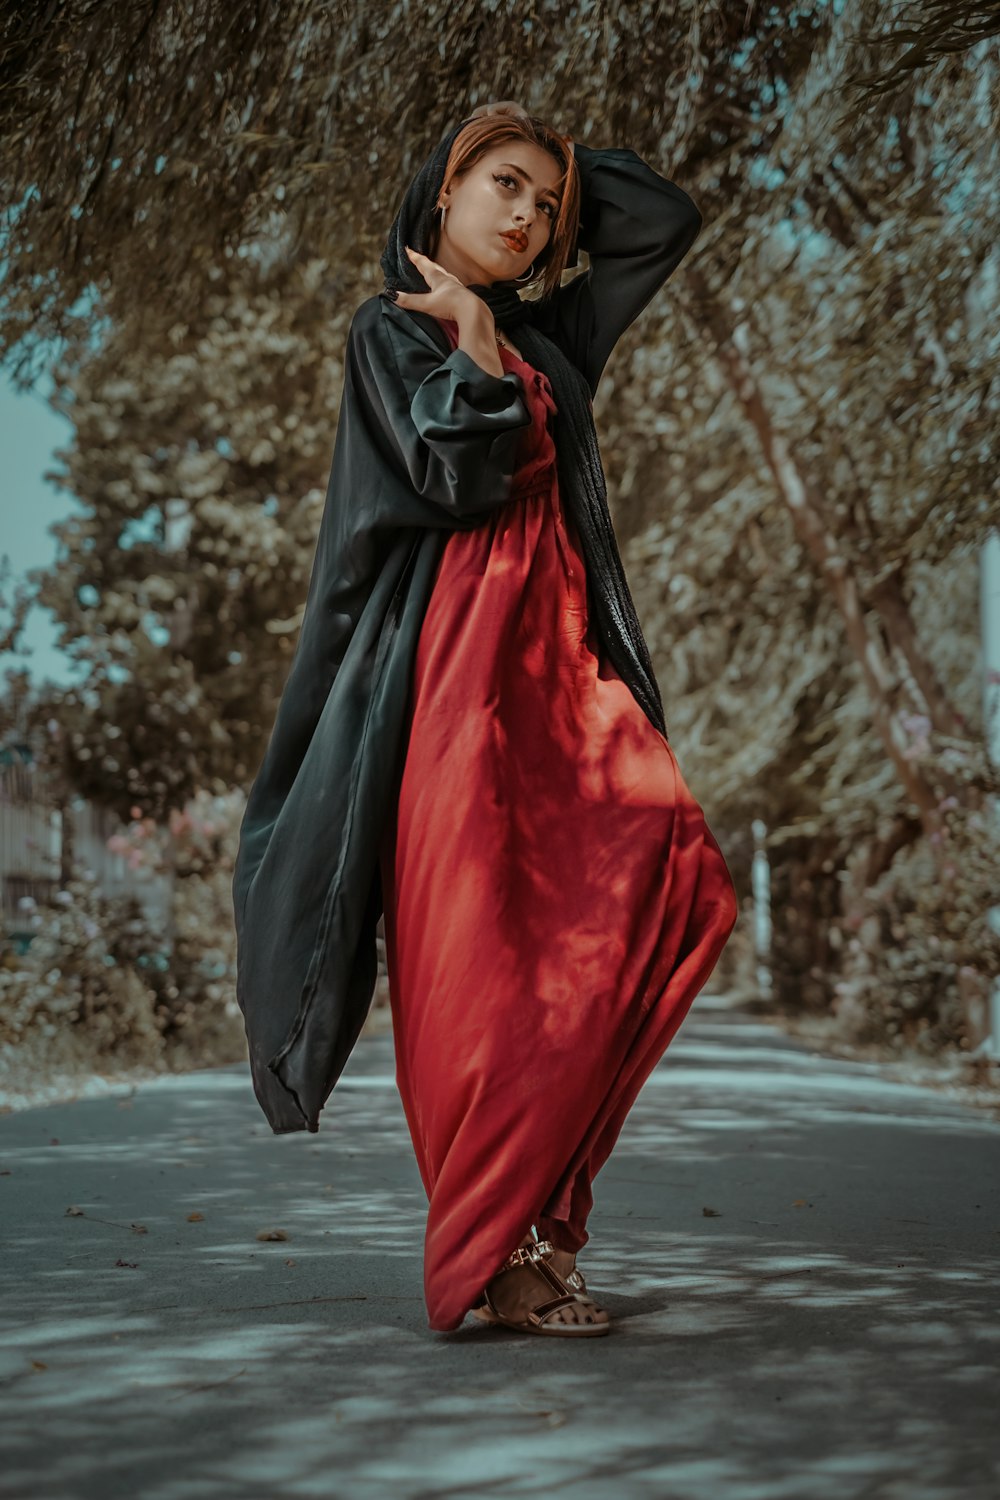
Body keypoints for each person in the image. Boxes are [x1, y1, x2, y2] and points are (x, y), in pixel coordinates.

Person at [369, 103, 740, 1338]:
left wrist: (558, 160)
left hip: (567, 670)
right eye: (504, 187)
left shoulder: (555, 336)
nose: (526, 219)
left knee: (679, 877)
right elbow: (458, 479)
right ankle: (507, 1240)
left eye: (546, 210)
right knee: (482, 966)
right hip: (461, 680)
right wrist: (469, 341)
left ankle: (534, 1210)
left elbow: (662, 222)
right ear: (443, 190)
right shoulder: (392, 335)